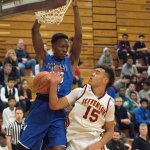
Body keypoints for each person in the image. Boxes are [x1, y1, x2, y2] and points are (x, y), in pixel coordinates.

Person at [18, 0, 82, 150]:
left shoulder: (71, 61)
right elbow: (34, 31)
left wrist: (76, 8)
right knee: (23, 147)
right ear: (53, 46)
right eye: (62, 46)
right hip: (41, 105)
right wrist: (42, 11)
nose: (66, 49)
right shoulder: (44, 58)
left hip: (60, 108)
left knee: (58, 147)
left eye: (67, 46)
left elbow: (78, 37)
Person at [49, 65, 115, 150]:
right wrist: (54, 84)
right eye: (93, 72)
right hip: (74, 140)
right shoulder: (79, 92)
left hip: (95, 141)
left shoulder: (109, 103)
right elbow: (54, 105)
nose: (92, 74)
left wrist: (98, 144)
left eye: (97, 73)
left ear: (105, 80)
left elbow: (110, 131)